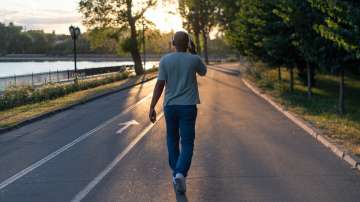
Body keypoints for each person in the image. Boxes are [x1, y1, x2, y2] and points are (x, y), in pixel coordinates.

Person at [149, 31, 207, 195]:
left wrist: (152, 106)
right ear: (188, 43)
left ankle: (177, 174)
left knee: (172, 140)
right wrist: (194, 52)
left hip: (170, 106)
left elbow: (160, 84)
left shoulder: (165, 60)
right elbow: (203, 72)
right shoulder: (193, 59)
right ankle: (180, 173)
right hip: (188, 106)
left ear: (173, 43)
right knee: (187, 142)